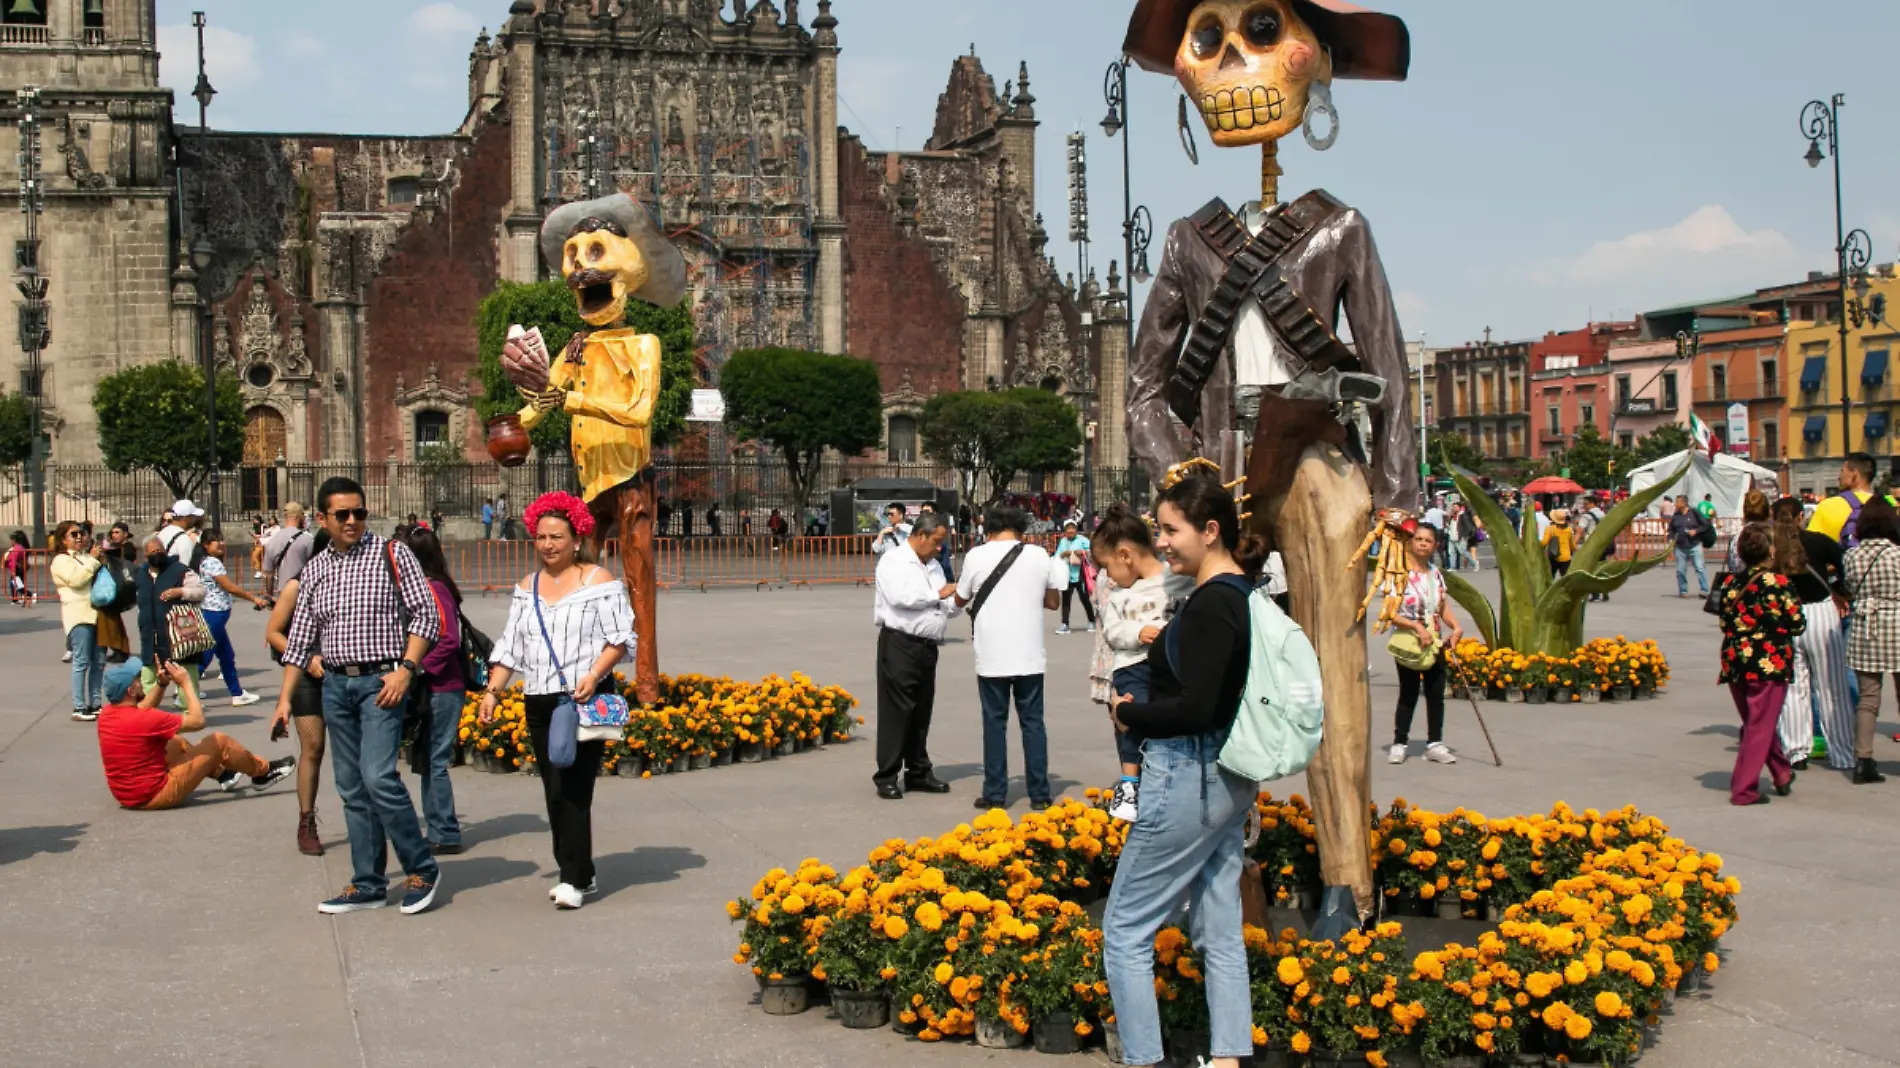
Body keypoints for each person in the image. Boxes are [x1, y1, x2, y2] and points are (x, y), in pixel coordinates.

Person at [1102, 474, 1261, 1068]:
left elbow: (1197, 707)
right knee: (1218, 926)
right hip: (1227, 778)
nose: (1161, 542)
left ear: (1210, 530)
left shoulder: (1210, 605)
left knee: (1124, 932)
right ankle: (1227, 1057)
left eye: (1171, 529)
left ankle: (1145, 1060)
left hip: (1186, 774)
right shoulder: (1243, 592)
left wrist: (1130, 711)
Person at [276, 476, 444, 916]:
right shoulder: (315, 569)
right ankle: (368, 882)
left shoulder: (392, 554)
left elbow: (427, 615)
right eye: (342, 514)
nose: (352, 521)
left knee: (378, 777)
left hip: (381, 684)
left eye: (359, 513)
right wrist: (284, 701)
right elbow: (300, 640)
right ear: (322, 519)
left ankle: (422, 868)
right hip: (334, 685)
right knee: (350, 787)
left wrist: (405, 670)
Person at [478, 492, 632, 908]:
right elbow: (511, 646)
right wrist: (493, 692)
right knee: (553, 788)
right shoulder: (527, 588)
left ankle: (575, 878)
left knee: (575, 788)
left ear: (577, 538)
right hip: (540, 701)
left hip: (582, 698)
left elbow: (620, 639)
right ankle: (581, 870)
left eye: (557, 537)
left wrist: (594, 674)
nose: (548, 545)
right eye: (541, 537)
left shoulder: (598, 581)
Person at [955, 504, 1063, 809]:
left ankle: (995, 793)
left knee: (994, 723)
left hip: (992, 654)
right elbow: (1054, 602)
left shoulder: (977, 555)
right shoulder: (1039, 555)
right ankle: (1040, 794)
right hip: (1029, 653)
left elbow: (962, 597)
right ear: (1022, 528)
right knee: (1033, 724)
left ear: (987, 527)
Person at [1092, 503, 1195, 822]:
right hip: (1131, 666)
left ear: (1125, 554)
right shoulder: (1119, 595)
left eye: (1106, 565)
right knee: (1132, 718)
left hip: (1169, 668)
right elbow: (1113, 631)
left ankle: (1162, 778)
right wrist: (1139, 630)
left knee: (1164, 722)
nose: (1105, 574)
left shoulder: (1174, 579)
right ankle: (1130, 783)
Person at [96, 657, 294, 810]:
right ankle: (263, 772)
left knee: (175, 740)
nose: (140, 681)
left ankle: (223, 773)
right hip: (154, 794)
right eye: (137, 679)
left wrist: (162, 684)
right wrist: (186, 683)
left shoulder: (107, 714)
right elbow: (198, 720)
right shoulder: (144, 719)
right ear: (131, 691)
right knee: (218, 742)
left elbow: (143, 710)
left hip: (126, 795)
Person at [869, 511, 959, 801]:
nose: (939, 548)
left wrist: (959, 597)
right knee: (897, 711)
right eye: (936, 541)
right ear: (920, 535)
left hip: (927, 645)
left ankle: (918, 771)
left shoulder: (932, 565)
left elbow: (943, 605)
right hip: (900, 643)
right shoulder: (894, 560)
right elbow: (901, 598)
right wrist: (941, 594)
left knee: (921, 710)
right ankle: (887, 774)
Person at [1717, 523, 1803, 806]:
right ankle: (1744, 789)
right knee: (1759, 726)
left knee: (1756, 723)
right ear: (1769, 550)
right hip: (1768, 661)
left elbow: (1722, 622)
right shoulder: (1777, 583)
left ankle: (1780, 772)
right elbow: (1797, 623)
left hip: (1735, 661)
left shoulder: (1729, 583)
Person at [1771, 496, 1853, 773]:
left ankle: (1796, 751)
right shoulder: (1818, 542)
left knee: (1794, 688)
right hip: (1821, 614)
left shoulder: (1773, 548)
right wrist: (1840, 589)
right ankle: (1842, 753)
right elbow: (1846, 566)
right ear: (1800, 517)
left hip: (1786, 616)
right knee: (1832, 687)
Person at [266, 529, 334, 855]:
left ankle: (371, 818)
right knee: (313, 747)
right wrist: (307, 659)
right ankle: (306, 820)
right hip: (307, 675)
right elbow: (274, 633)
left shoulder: (353, 582)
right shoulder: (297, 584)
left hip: (346, 674)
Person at [405, 526, 466, 855]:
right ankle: (439, 825)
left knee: (436, 759)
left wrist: (419, 667)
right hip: (437, 685)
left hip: (442, 685)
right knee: (430, 759)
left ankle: (445, 830)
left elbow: (449, 640)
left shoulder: (433, 588)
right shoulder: (435, 585)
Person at [1387, 523, 1464, 764]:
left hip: (1435, 641)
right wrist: (1416, 627)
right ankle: (1400, 742)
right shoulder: (1398, 574)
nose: (1422, 543)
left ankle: (1435, 743)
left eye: (1427, 541)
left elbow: (1442, 606)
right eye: (1418, 539)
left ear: (1435, 546)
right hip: (1410, 641)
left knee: (1435, 693)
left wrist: (1456, 627)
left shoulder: (1435, 573)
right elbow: (1390, 613)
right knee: (1408, 692)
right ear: (1410, 542)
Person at [1844, 497, 1900, 786]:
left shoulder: (1852, 556)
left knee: (1868, 699)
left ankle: (1862, 760)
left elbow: (1849, 587)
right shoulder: (1896, 554)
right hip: (1897, 625)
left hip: (1865, 627)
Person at [193, 531, 267, 708]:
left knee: (226, 656)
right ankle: (182, 694)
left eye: (221, 540)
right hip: (214, 613)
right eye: (215, 541)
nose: (220, 544)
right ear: (205, 545)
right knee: (205, 657)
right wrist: (253, 598)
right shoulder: (211, 562)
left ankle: (237, 693)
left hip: (215, 613)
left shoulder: (206, 561)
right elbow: (228, 586)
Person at [133, 532, 207, 708]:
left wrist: (181, 592)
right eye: (153, 551)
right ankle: (151, 714)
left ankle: (191, 711)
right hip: (150, 636)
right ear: (145, 555)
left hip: (179, 636)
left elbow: (201, 591)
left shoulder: (181, 570)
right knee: (148, 677)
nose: (157, 554)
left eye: (160, 550)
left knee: (185, 675)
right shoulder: (141, 573)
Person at [50, 521, 107, 721]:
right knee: (81, 661)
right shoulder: (61, 560)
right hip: (79, 614)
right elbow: (76, 580)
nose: (79, 537)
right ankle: (79, 705)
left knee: (99, 661)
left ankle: (95, 702)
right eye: (73, 534)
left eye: (81, 533)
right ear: (63, 539)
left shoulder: (86, 556)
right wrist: (93, 561)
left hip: (98, 613)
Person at [1810, 452, 1877, 546]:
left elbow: (1811, 546)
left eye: (1842, 471)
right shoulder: (1888, 506)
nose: (1839, 477)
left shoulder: (1827, 507)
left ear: (1855, 474)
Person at [1055, 519, 1097, 635]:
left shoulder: (1082, 540)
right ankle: (1065, 624)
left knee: (1084, 599)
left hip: (1080, 574)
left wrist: (1082, 552)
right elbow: (1058, 555)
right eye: (1068, 529)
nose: (1071, 531)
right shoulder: (1063, 541)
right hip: (1067, 575)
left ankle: (1092, 621)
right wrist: (1064, 554)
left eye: (1072, 528)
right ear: (1065, 531)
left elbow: (1091, 552)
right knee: (1066, 600)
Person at [262, 502, 310, 597]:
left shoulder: (273, 541)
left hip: (284, 594)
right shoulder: (307, 539)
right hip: (303, 594)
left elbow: (269, 575)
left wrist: (269, 597)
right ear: (298, 517)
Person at [1668, 494, 1710, 598]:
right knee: (1680, 570)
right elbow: (1671, 530)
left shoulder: (1694, 512)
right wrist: (1670, 539)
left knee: (1699, 568)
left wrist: (1696, 531)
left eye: (1677, 502)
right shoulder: (1676, 516)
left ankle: (1704, 590)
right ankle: (1683, 591)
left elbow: (1706, 525)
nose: (1675, 504)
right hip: (1680, 546)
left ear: (1684, 503)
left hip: (1694, 545)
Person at [918, 501, 954, 582]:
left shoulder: (940, 525)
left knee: (945, 567)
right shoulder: (918, 525)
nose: (924, 514)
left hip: (939, 556)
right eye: (922, 512)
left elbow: (946, 566)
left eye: (927, 511)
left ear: (934, 513)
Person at [158, 499, 203, 563]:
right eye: (192, 516)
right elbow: (185, 567)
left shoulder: (161, 533)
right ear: (185, 518)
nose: (194, 519)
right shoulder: (184, 539)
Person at [1541, 507, 1576, 577]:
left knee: (1550, 577)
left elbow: (1544, 543)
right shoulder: (1569, 529)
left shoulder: (1550, 529)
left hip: (1554, 557)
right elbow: (1573, 546)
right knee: (1565, 579)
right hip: (1566, 558)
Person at [6, 529, 31, 607]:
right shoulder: (21, 547)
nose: (10, 542)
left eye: (11, 540)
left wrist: (13, 571)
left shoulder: (17, 548)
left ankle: (27, 594)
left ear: (14, 540)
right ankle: (21, 599)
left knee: (16, 584)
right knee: (16, 583)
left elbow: (14, 560)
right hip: (20, 568)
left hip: (17, 569)